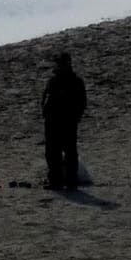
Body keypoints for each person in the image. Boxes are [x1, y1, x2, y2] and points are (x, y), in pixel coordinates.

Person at [41, 51, 88, 190]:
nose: (59, 66)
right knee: (53, 152)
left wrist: (76, 117)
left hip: (67, 121)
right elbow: (45, 98)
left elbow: (82, 102)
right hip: (53, 121)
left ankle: (69, 180)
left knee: (68, 152)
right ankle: (57, 180)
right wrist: (45, 113)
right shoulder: (54, 80)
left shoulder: (75, 81)